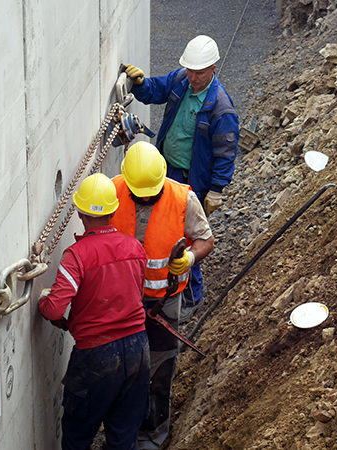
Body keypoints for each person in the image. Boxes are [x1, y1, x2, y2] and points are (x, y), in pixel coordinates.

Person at [124, 34, 239, 321]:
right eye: (190, 70)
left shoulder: (221, 109)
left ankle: (191, 297)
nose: (193, 77)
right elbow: (155, 90)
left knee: (188, 239)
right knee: (163, 229)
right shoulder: (180, 80)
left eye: (199, 72)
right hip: (166, 170)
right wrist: (139, 84)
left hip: (192, 180)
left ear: (214, 68)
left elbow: (225, 153)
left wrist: (216, 190)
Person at [109, 142, 214, 450]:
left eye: (149, 193)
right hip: (122, 301)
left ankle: (152, 436)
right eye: (137, 192)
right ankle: (121, 435)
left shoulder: (183, 199)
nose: (144, 198)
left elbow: (206, 240)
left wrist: (190, 259)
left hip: (163, 303)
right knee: (121, 370)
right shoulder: (112, 192)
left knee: (159, 368)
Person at [39, 173, 151, 450]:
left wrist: (44, 302)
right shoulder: (135, 248)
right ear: (113, 210)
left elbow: (54, 309)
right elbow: (136, 293)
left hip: (96, 356)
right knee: (124, 435)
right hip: (138, 348)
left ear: (80, 212)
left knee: (78, 437)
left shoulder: (77, 255)